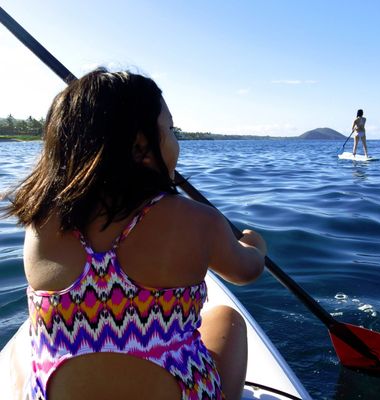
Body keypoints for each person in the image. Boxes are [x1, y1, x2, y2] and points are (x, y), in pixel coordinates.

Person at [3, 68, 266, 400]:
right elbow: (246, 271)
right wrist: (254, 245)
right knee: (229, 320)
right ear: (142, 146)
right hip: (181, 390)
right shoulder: (199, 220)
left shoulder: (40, 222)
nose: (175, 140)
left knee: (26, 342)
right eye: (170, 130)